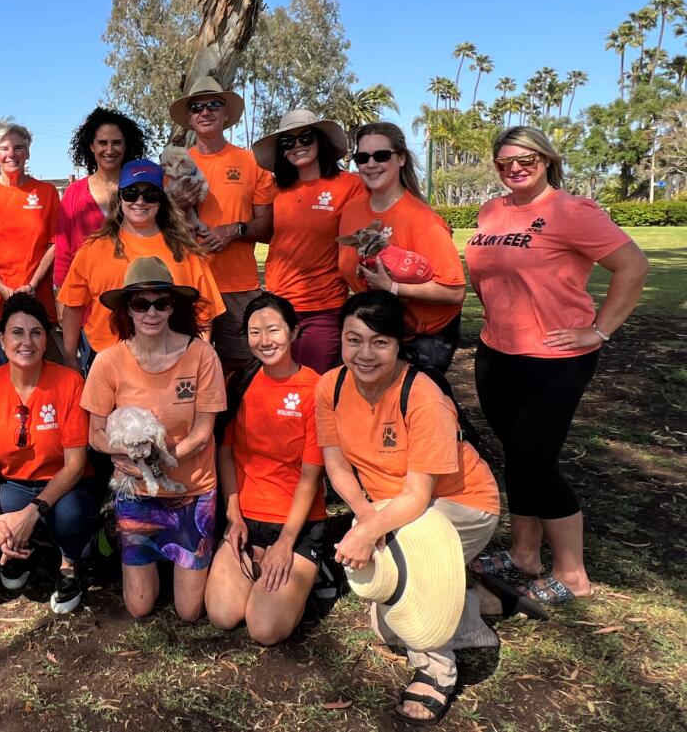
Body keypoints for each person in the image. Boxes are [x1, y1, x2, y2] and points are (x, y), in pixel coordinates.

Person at [465, 126, 648, 606]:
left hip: (555, 358)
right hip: (497, 351)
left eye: (525, 158)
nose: (514, 168)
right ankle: (525, 555)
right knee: (517, 455)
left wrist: (600, 330)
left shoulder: (572, 211)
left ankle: (572, 574)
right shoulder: (492, 210)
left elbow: (634, 266)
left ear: (546, 159)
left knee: (537, 460)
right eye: (504, 162)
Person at [318, 291, 500, 725]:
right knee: (389, 626)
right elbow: (335, 463)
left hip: (460, 504)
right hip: (388, 505)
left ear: (399, 344)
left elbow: (419, 496)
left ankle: (437, 670)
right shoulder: (331, 384)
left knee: (414, 566)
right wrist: (366, 518)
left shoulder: (422, 395)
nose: (364, 353)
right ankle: (472, 610)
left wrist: (369, 532)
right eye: (353, 339)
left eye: (379, 341)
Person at [82, 257, 226, 622]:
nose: (151, 312)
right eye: (140, 303)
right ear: (126, 309)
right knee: (139, 606)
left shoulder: (202, 355)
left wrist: (159, 456)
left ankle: (195, 556)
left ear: (172, 306)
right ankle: (158, 561)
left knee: (190, 612)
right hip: (137, 493)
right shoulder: (108, 361)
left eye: (160, 302)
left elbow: (202, 432)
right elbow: (96, 436)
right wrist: (128, 452)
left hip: (191, 488)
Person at [0, 294, 95, 614]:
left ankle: (68, 564)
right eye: (17, 332)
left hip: (64, 483)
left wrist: (31, 513)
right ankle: (19, 549)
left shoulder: (69, 382)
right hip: (12, 484)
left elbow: (75, 465)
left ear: (47, 339)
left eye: (36, 332)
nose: (26, 341)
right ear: (1, 338)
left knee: (73, 520)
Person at [204, 293, 326, 645]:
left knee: (265, 630)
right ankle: (258, 563)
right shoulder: (240, 381)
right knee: (223, 615)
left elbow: (311, 473)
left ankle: (309, 571)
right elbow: (225, 451)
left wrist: (287, 542)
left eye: (273, 330)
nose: (264, 340)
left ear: (294, 332)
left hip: (295, 525)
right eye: (254, 332)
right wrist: (233, 517)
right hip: (246, 519)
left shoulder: (315, 389)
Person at [58, 159, 224, 372]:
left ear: (161, 200)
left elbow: (204, 312)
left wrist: (199, 360)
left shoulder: (185, 251)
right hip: (109, 364)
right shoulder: (93, 249)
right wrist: (70, 357)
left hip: (173, 363)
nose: (140, 200)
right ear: (120, 197)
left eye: (150, 194)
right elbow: (73, 307)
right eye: (131, 192)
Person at [338, 122, 466, 373]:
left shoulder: (422, 220)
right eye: (362, 158)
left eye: (382, 155)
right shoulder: (352, 210)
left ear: (401, 158)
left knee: (416, 404)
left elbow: (454, 292)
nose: (371, 164)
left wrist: (392, 287)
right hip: (377, 328)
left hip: (424, 337)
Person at [168, 77, 274, 374]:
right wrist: (178, 207)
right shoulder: (174, 166)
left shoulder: (253, 163)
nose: (206, 112)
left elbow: (267, 228)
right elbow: (160, 229)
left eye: (214, 104)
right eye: (197, 107)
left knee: (243, 368)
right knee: (186, 368)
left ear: (226, 113)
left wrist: (235, 230)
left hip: (239, 287)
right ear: (189, 119)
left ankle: (238, 422)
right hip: (188, 286)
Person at [253, 110, 365, 373]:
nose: (297, 146)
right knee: (280, 383)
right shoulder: (275, 189)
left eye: (305, 138)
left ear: (320, 141)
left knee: (314, 383)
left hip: (323, 306)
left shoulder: (350, 185)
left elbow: (378, 219)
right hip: (278, 306)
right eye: (287, 142)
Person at [0, 120, 60, 369]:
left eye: (18, 147)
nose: (11, 154)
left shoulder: (46, 192)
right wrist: (4, 290)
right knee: (1, 379)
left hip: (36, 301)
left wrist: (32, 285)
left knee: (37, 379)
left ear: (27, 152)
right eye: (4, 148)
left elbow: (55, 243)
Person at [55, 108, 147, 371]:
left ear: (127, 145)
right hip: (88, 306)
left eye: (117, 142)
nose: (110, 149)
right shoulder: (74, 193)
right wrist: (62, 298)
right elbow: (64, 252)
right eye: (103, 143)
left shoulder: (141, 190)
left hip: (138, 303)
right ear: (91, 147)